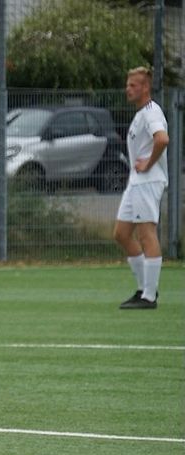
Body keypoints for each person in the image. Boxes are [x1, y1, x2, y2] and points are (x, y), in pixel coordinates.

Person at [114, 66, 169, 309]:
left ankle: (149, 296)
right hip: (136, 182)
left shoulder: (151, 112)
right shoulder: (140, 114)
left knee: (147, 234)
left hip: (148, 181)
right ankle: (143, 288)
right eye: (127, 85)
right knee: (121, 234)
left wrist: (148, 163)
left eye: (133, 85)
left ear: (145, 87)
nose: (128, 89)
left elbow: (162, 139)